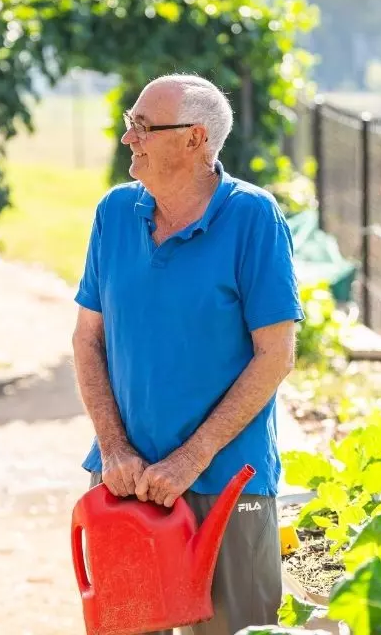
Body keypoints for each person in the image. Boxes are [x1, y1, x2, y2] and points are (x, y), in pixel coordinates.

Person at [72, 74, 302, 633]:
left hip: (227, 486)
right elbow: (87, 339)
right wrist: (113, 449)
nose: (129, 138)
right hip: (126, 482)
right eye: (131, 123)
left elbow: (275, 355)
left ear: (196, 138)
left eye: (143, 126)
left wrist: (190, 460)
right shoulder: (114, 213)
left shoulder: (253, 217)